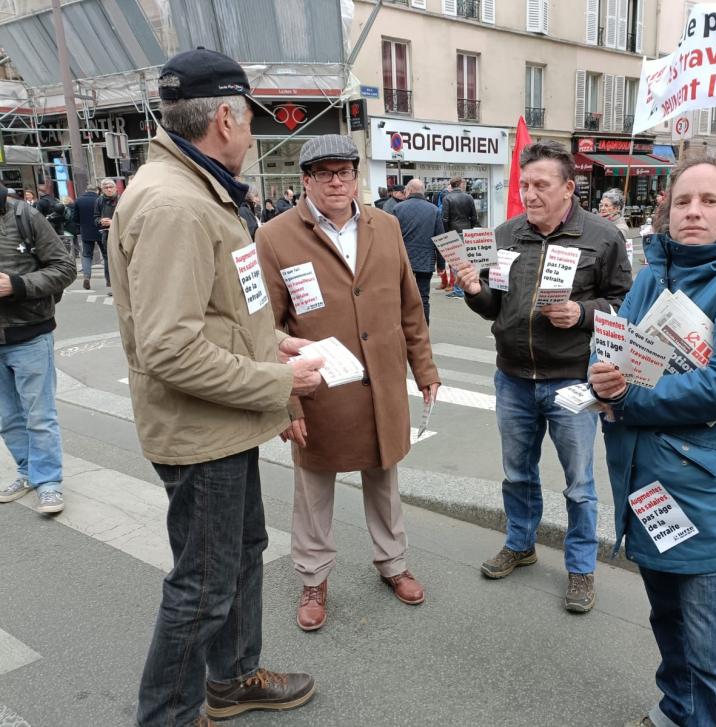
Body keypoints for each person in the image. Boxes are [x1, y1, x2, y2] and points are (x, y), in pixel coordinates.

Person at [108, 48, 322, 727]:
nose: (253, 132)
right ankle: (167, 716)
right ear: (225, 118)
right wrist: (279, 377)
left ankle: (231, 678)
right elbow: (169, 347)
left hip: (224, 422)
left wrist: (273, 344)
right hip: (202, 433)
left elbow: (217, 310)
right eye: (249, 118)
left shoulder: (199, 188)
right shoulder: (176, 202)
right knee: (202, 585)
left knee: (242, 554)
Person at [588, 155, 716, 727]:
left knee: (711, 652)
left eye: (709, 201)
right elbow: (615, 352)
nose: (693, 212)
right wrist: (600, 376)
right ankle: (677, 711)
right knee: (668, 625)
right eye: (682, 201)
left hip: (705, 494)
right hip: (645, 486)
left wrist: (628, 399)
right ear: (666, 209)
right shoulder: (652, 274)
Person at [256, 134, 440, 633]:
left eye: (345, 172)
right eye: (324, 173)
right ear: (306, 181)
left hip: (380, 382)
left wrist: (423, 368)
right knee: (314, 487)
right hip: (320, 387)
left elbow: (409, 306)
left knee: (384, 479)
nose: (336, 182)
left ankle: (393, 564)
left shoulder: (387, 224)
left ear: (357, 176)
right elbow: (265, 329)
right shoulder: (274, 236)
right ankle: (313, 577)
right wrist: (286, 403)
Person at [454, 140, 632, 613]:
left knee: (579, 484)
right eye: (524, 184)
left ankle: (580, 568)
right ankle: (521, 542)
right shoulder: (507, 234)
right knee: (516, 473)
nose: (530, 194)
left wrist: (582, 312)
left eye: (541, 185)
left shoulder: (602, 236)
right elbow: (495, 303)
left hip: (572, 379)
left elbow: (627, 304)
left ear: (569, 189)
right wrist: (474, 290)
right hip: (512, 377)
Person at [0, 183, 76, 515]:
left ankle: (48, 482)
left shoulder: (25, 215)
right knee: (7, 418)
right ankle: (28, 472)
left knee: (39, 416)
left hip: (29, 334)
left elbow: (64, 268)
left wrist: (17, 285)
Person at [392, 178, 444, 323]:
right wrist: (441, 265)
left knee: (402, 296)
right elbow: (440, 239)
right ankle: (424, 332)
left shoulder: (398, 209)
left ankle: (405, 329)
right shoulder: (434, 210)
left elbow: (391, 237)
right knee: (423, 297)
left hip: (403, 260)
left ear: (408, 191)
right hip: (425, 260)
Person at [441, 177, 479, 299]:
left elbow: (445, 218)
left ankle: (459, 290)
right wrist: (470, 228)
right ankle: (467, 287)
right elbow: (474, 217)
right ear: (460, 184)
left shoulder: (447, 198)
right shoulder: (468, 197)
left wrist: (446, 233)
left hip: (453, 231)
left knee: (454, 262)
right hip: (466, 231)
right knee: (466, 261)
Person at [94, 179, 118, 295]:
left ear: (115, 187)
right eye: (106, 187)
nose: (109, 189)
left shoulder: (122, 199)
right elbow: (95, 217)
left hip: (121, 234)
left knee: (122, 260)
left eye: (111, 187)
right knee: (109, 261)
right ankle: (113, 286)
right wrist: (100, 221)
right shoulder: (99, 201)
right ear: (102, 190)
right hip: (106, 235)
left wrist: (113, 222)